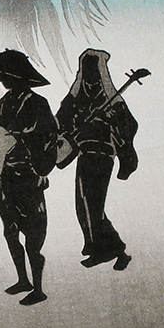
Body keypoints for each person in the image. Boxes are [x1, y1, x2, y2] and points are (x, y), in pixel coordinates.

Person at [0, 49, 58, 306]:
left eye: (8, 75)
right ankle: (23, 279)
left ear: (19, 77)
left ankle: (39, 288)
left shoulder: (38, 103)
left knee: (33, 235)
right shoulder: (2, 104)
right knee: (10, 231)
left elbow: (49, 138)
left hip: (29, 175)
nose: (4, 80)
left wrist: (40, 169)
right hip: (5, 178)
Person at [56, 49, 138, 270]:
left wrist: (106, 118)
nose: (91, 77)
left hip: (103, 154)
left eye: (94, 71)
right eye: (87, 71)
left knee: (93, 204)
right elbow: (61, 120)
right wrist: (76, 125)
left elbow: (128, 124)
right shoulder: (77, 99)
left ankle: (105, 251)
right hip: (84, 153)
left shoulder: (112, 100)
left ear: (101, 72)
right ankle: (112, 250)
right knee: (84, 205)